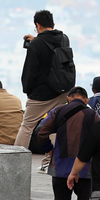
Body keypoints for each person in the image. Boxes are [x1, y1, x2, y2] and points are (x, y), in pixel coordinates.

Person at [38, 86, 100, 200]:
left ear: (69, 99)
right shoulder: (93, 115)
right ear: (86, 100)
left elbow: (39, 132)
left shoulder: (58, 111)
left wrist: (49, 148)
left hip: (60, 168)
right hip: (86, 170)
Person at [14, 10, 75, 154]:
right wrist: (37, 40)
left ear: (37, 25)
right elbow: (53, 51)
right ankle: (52, 162)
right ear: (53, 24)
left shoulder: (36, 45)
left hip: (41, 94)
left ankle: (15, 159)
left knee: (27, 126)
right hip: (62, 91)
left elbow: (30, 71)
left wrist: (28, 91)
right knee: (55, 125)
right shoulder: (64, 39)